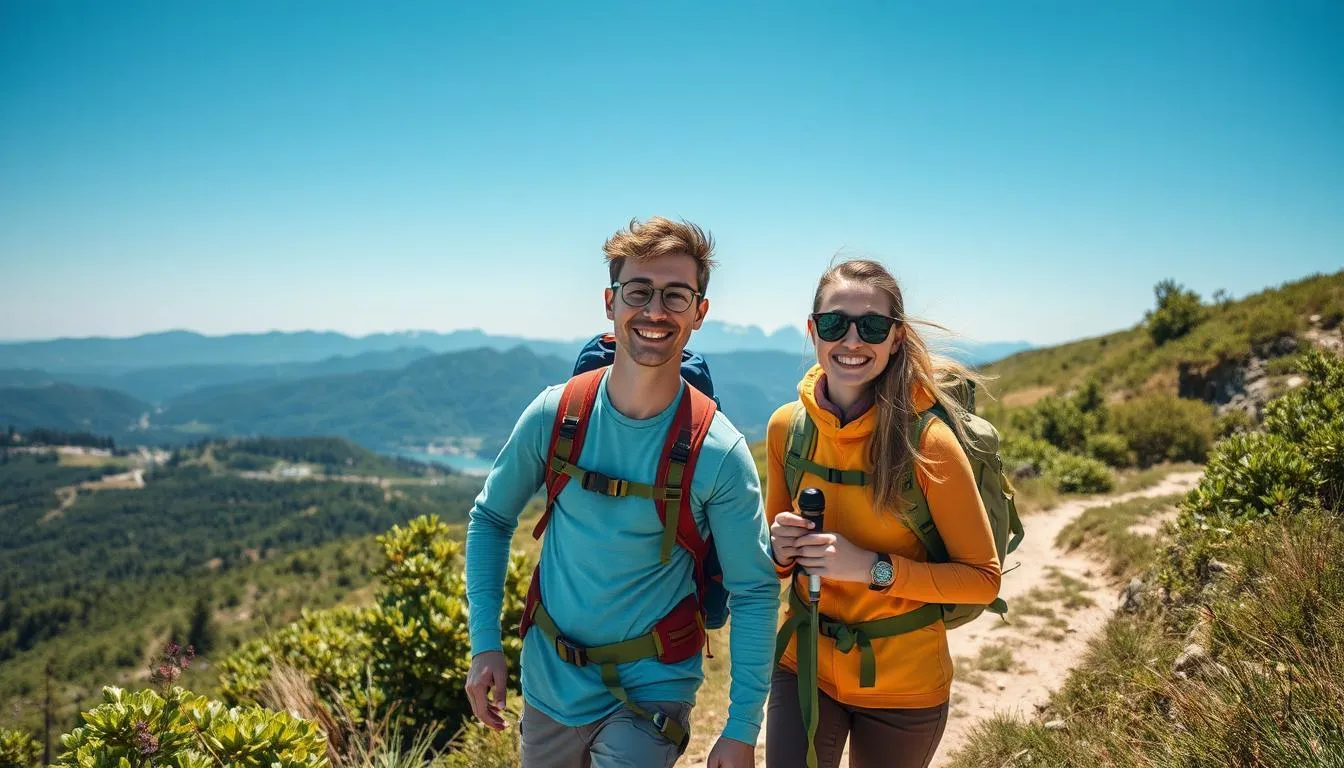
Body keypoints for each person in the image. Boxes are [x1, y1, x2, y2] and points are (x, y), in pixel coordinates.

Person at [464, 217, 778, 768]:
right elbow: (490, 518)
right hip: (549, 679)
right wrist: (484, 642)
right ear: (611, 302)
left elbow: (754, 590)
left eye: (676, 295)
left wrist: (741, 728)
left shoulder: (718, 453)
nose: (655, 311)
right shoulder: (555, 414)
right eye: (639, 291)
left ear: (699, 312)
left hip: (654, 685)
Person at [765, 258, 1003, 768]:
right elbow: (777, 564)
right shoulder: (788, 428)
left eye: (872, 326)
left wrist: (869, 568)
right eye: (834, 324)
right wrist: (780, 548)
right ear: (813, 331)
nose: (852, 341)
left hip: (905, 686)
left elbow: (983, 580)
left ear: (896, 338)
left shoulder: (928, 442)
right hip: (802, 663)